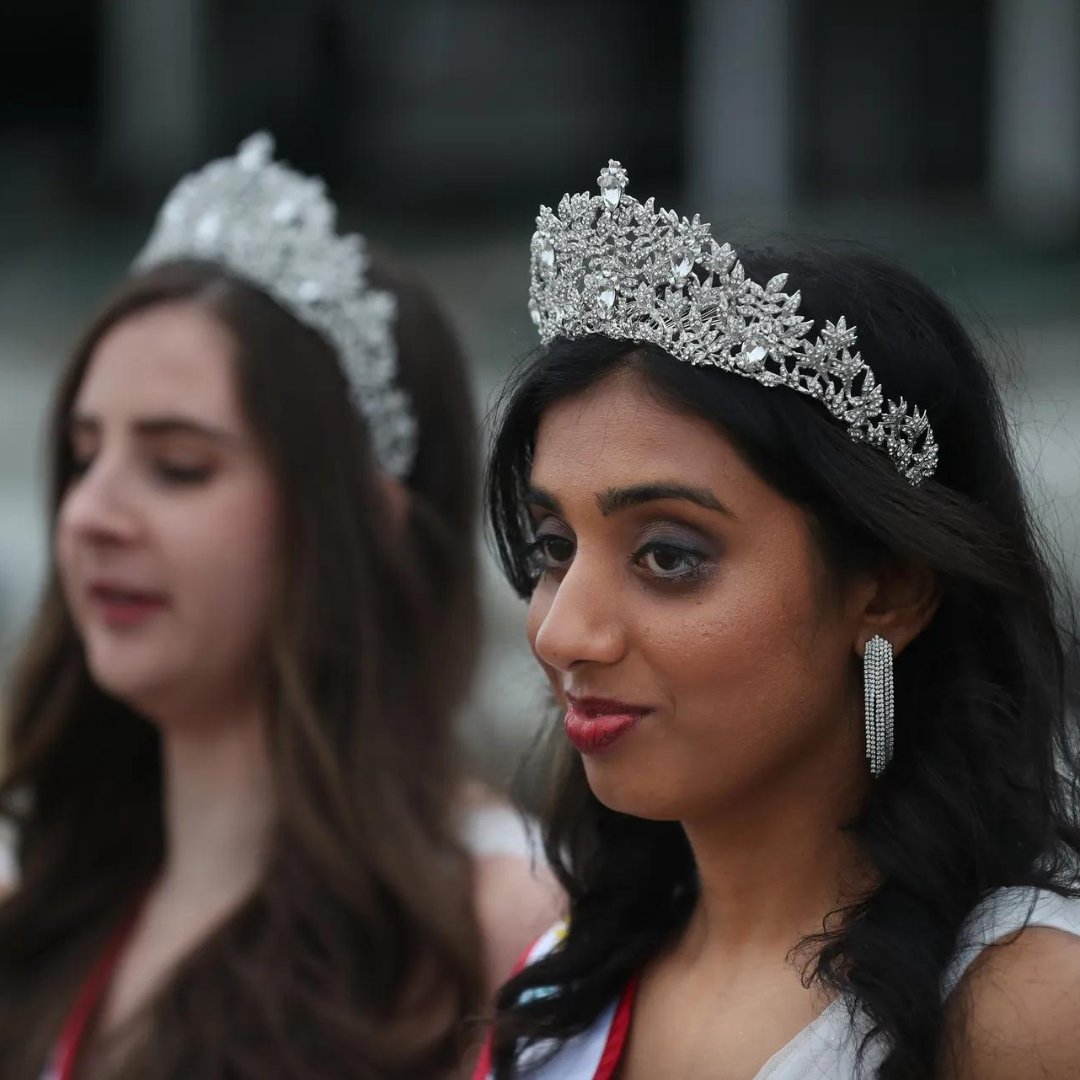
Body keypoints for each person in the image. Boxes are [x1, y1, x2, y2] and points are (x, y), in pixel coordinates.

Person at [475, 161, 1080, 1079]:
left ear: (887, 592)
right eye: (555, 547)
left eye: (668, 557)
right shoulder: (566, 982)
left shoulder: (1015, 1004)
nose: (564, 633)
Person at [0, 134, 558, 1080]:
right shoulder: (39, 894)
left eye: (179, 467)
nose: (91, 516)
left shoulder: (497, 924)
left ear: (363, 519)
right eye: (85, 456)